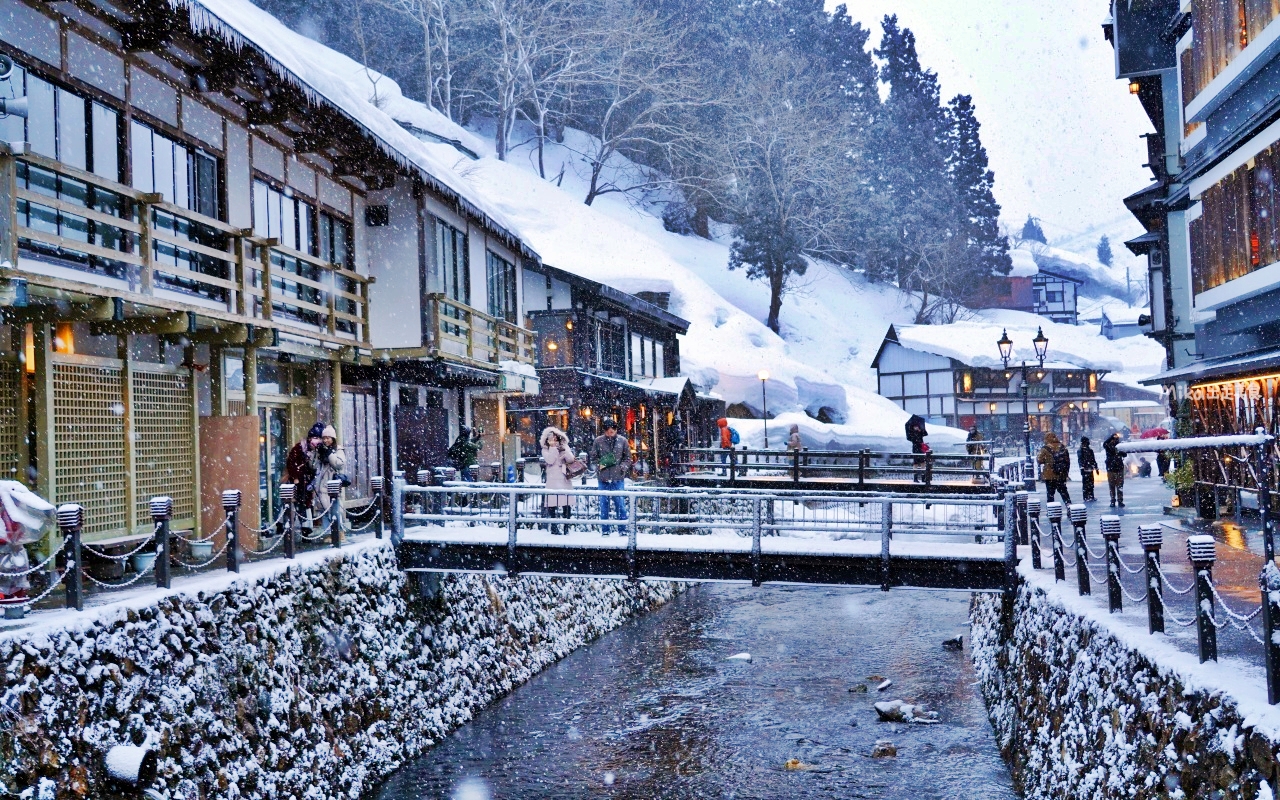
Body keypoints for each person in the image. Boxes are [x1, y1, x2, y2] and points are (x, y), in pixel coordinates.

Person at [589, 418, 631, 534]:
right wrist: (601, 464)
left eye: (612, 430)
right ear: (604, 430)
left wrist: (622, 467)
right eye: (608, 430)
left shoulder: (623, 441)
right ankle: (605, 530)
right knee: (604, 505)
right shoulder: (598, 441)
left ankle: (622, 529)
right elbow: (593, 458)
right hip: (603, 478)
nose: (610, 432)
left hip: (618, 477)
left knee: (620, 504)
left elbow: (628, 458)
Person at [284, 422, 326, 529]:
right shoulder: (300, 447)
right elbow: (291, 463)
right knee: (295, 505)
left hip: (310, 484)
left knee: (307, 505)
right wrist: (296, 477)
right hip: (297, 483)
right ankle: (287, 528)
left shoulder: (320, 451)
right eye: (314, 437)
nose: (316, 440)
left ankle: (306, 530)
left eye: (319, 438)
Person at [312, 425, 348, 533]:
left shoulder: (338, 449)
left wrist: (329, 454)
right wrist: (315, 454)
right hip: (321, 484)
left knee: (335, 509)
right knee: (324, 509)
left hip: (332, 485)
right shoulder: (321, 450)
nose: (325, 440)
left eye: (328, 438)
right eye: (324, 438)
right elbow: (313, 466)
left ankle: (339, 532)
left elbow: (339, 464)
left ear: (333, 438)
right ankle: (328, 533)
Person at [540, 426, 575, 534]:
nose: (553, 440)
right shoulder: (545, 449)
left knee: (566, 503)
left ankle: (566, 527)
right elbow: (550, 460)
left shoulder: (564, 446)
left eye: (555, 438)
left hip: (564, 476)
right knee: (552, 503)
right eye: (550, 438)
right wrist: (553, 448)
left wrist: (564, 450)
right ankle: (554, 527)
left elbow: (571, 459)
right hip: (553, 477)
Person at [1037, 432, 1072, 504]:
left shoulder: (1045, 449)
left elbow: (1039, 460)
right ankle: (1069, 507)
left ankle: (1051, 511)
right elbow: (1067, 461)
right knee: (1064, 493)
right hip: (1061, 474)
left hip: (1049, 475)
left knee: (1050, 494)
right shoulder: (1062, 447)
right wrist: (1065, 473)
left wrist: (1047, 461)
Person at [1104, 432, 1126, 508]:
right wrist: (1111, 437)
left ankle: (1119, 501)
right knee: (1112, 486)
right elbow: (1105, 444)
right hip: (1112, 468)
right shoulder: (1108, 446)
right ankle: (1113, 500)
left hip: (1117, 468)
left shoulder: (1120, 446)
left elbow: (1125, 454)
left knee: (1119, 486)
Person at [905, 414, 928, 481]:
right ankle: (915, 478)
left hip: (921, 448)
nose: (916, 427)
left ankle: (923, 477)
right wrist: (915, 433)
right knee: (916, 463)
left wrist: (921, 430)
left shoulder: (920, 432)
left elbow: (925, 434)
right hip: (915, 448)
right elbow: (912, 439)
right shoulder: (911, 433)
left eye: (917, 426)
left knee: (923, 463)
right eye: (915, 426)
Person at [1078, 436, 1099, 502]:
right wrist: (1095, 468)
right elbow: (1081, 460)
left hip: (1088, 468)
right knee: (1087, 483)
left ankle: (1089, 496)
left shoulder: (1087, 450)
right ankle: (1087, 496)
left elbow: (1093, 460)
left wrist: (1096, 468)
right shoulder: (1082, 450)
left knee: (1089, 483)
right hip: (1087, 468)